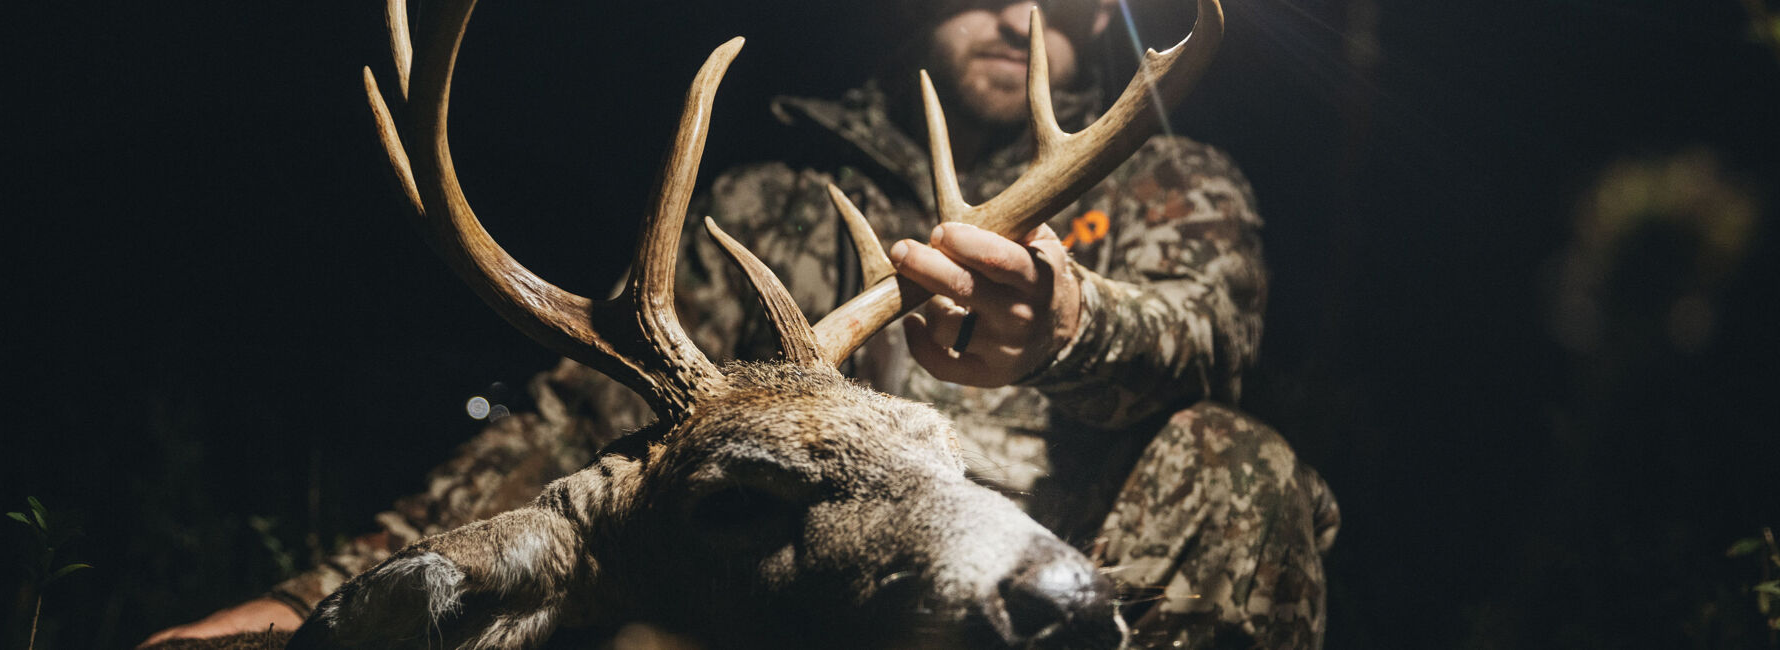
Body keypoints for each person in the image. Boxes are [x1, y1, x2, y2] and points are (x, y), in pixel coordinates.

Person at [146, 0, 1338, 647]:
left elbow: (1212, 336)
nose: (1018, 18)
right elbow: (584, 431)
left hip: (1071, 549)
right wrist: (313, 601)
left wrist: (1073, 323)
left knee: (1240, 460)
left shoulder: (1168, 182)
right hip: (805, 589)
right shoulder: (762, 206)